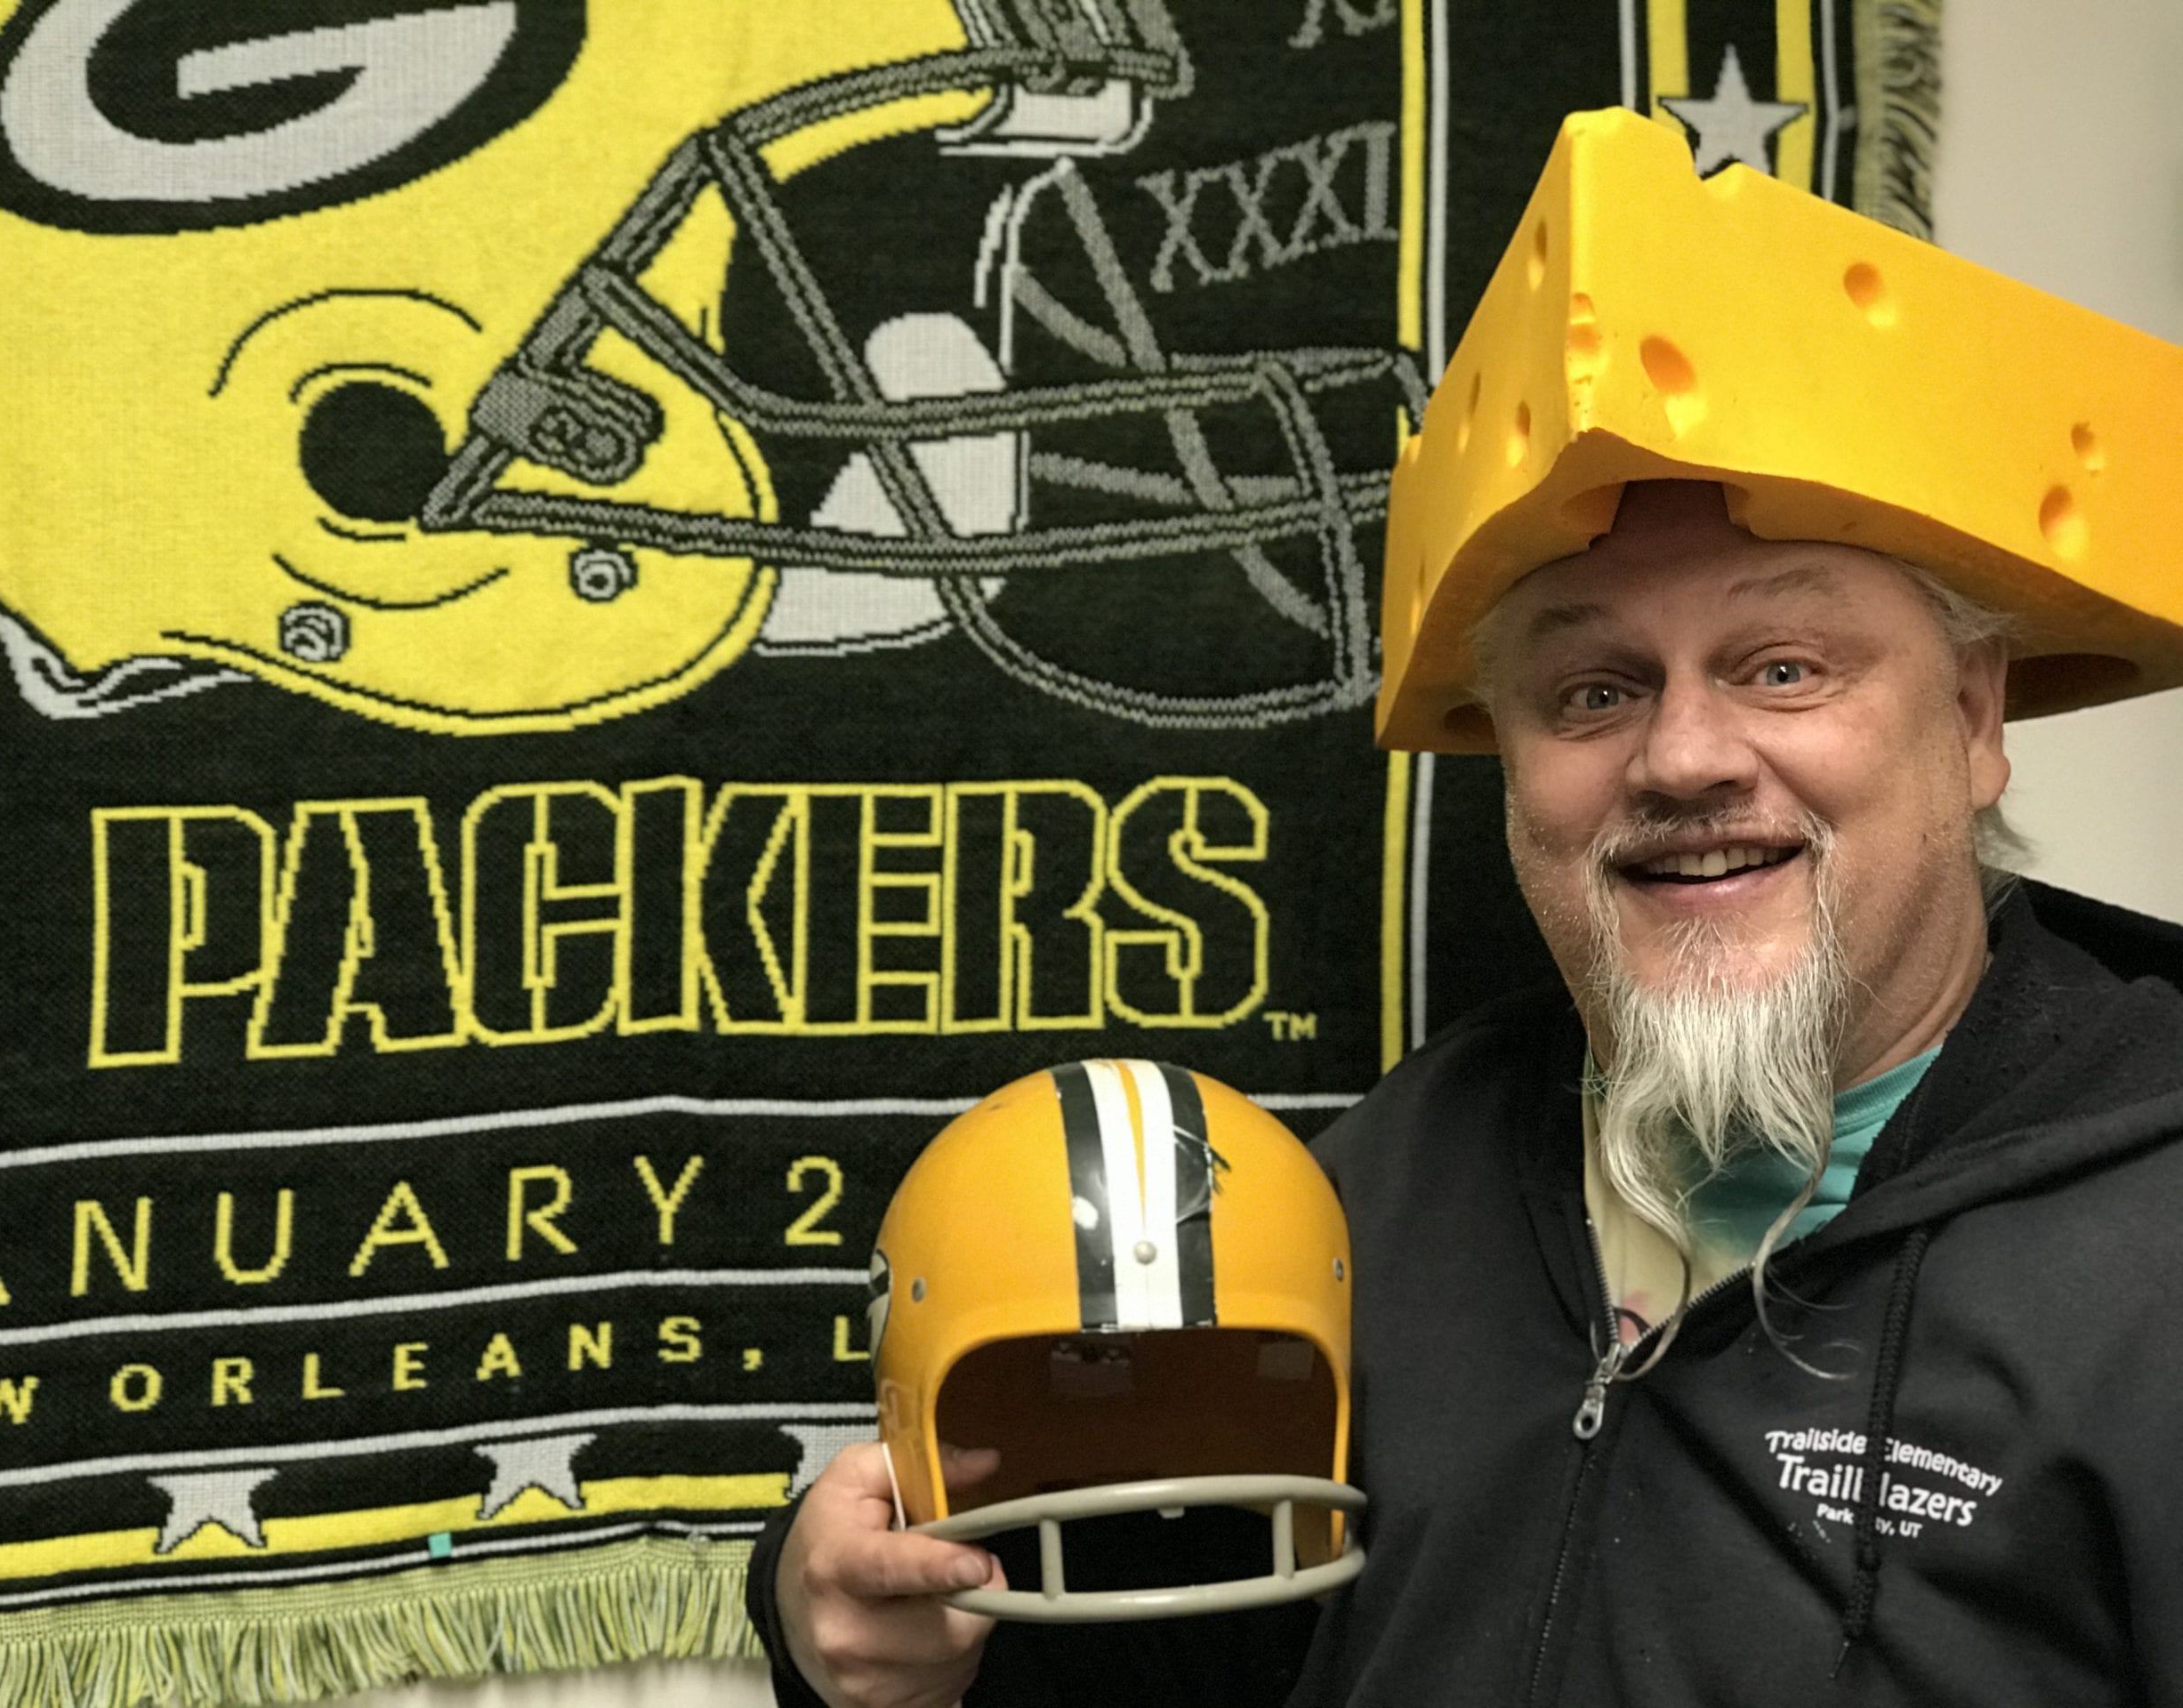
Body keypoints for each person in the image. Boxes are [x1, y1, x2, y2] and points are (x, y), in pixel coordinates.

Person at [746, 111, 2183, 1706]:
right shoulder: (1386, 1185)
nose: (1686, 757)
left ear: (1977, 720)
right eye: (1591, 689)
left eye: (1784, 667)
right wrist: (840, 1623)